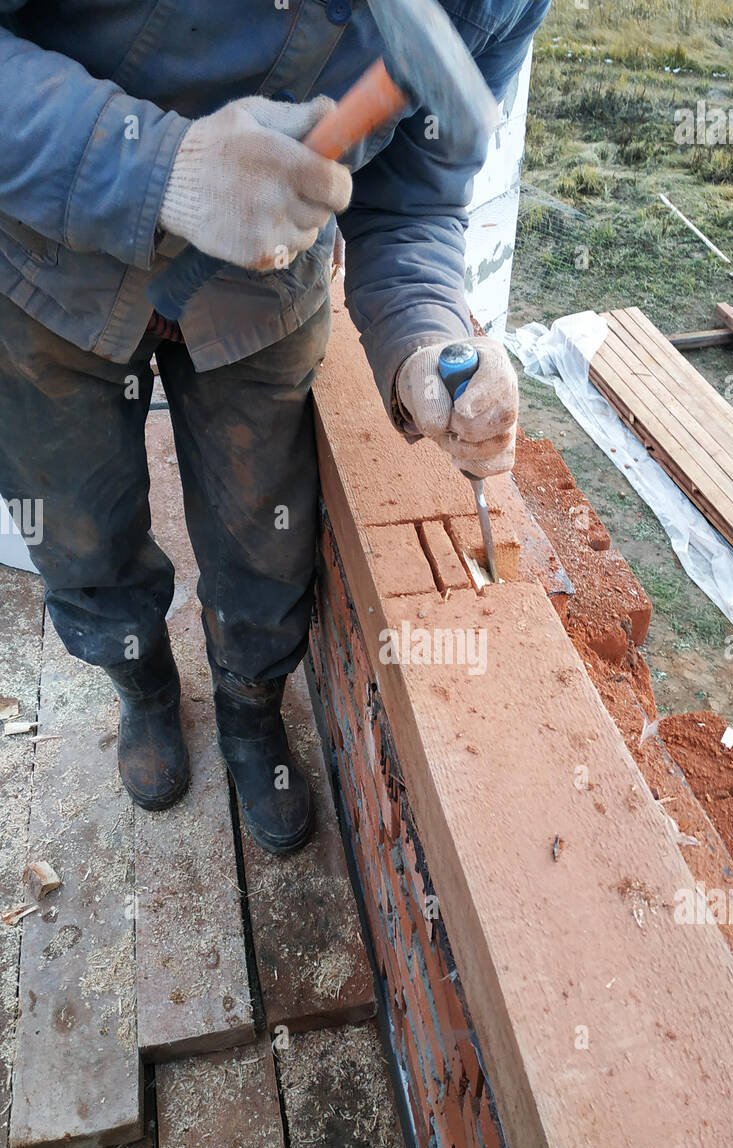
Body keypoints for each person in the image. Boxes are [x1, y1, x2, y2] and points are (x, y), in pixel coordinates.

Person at [0, 0, 549, 852]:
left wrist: (425, 337)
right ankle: (141, 682)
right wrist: (161, 169)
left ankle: (250, 710)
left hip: (263, 291)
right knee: (78, 532)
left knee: (265, 543)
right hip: (49, 267)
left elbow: (412, 204)